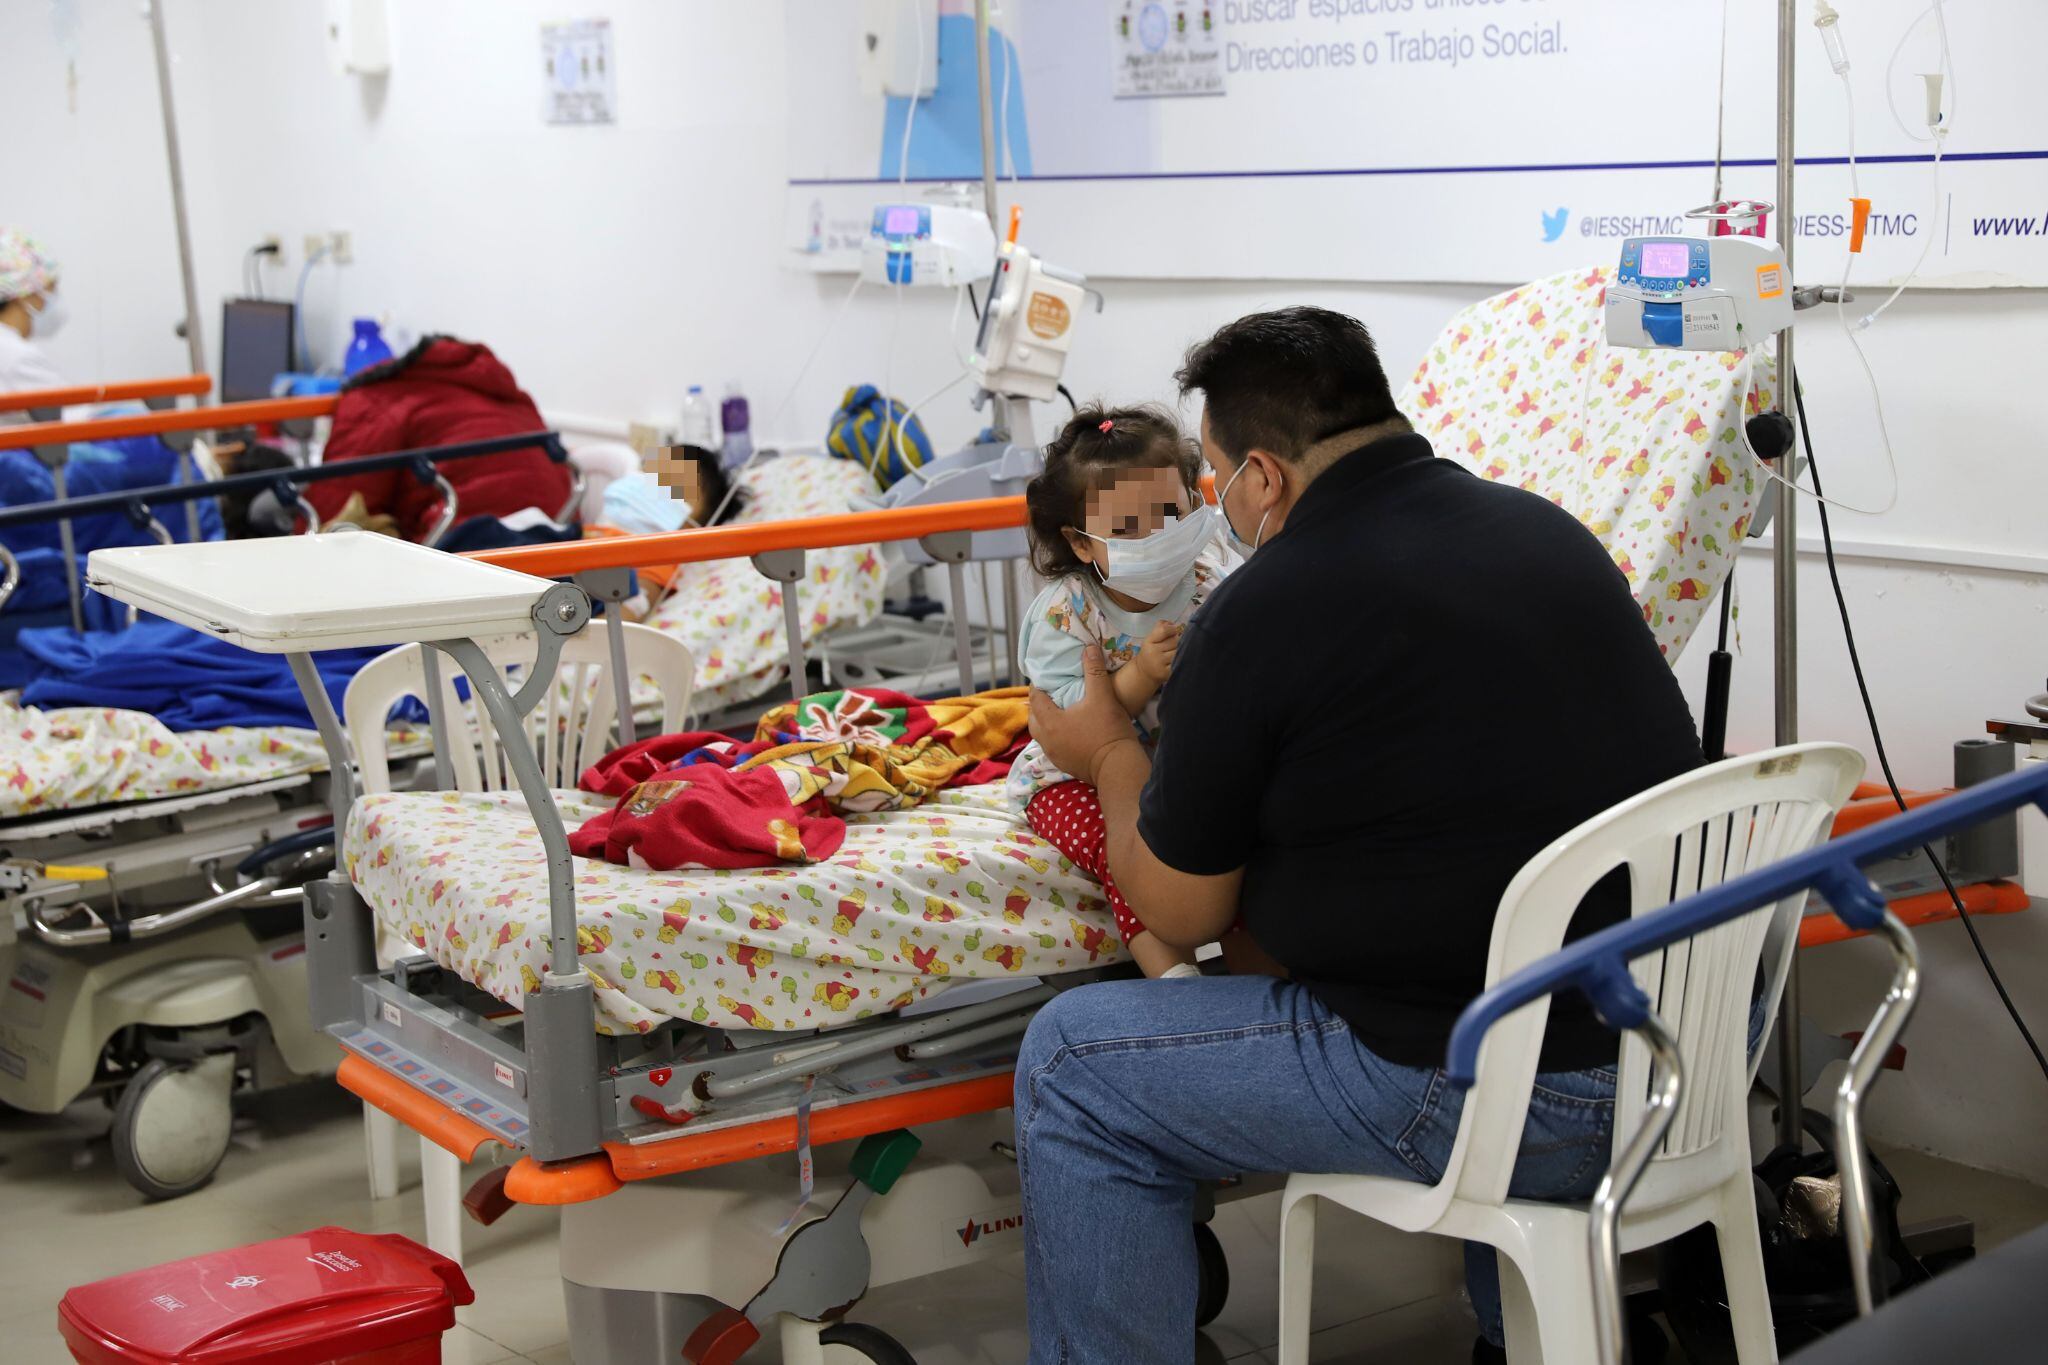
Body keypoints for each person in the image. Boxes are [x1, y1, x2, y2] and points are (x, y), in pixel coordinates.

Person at [1015, 306, 1704, 1364]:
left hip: (1510, 1092)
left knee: (1070, 1060)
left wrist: (1108, 752)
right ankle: (1521, 1337)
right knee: (1483, 961)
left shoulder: (1262, 609)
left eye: (1206, 482)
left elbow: (1178, 906)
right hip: (1681, 1053)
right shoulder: (1543, 531)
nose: (1211, 513)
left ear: (1260, 476)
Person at [1008, 404, 1229, 980]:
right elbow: (1079, 723)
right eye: (1129, 529)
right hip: (1069, 778)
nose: (1155, 536)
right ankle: (1172, 975)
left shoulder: (1208, 584)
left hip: (1171, 767)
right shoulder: (1069, 610)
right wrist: (1141, 675)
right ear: (1081, 544)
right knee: (1125, 851)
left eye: (1168, 513)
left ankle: (1244, 964)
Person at [303, 334, 572, 542]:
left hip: (468, 543)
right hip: (561, 539)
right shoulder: (507, 394)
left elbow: (333, 509)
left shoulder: (377, 399)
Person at [0, 228, 67, 395]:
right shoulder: (16, 357)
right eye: (50, 289)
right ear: (24, 295)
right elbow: (72, 414)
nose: (54, 298)